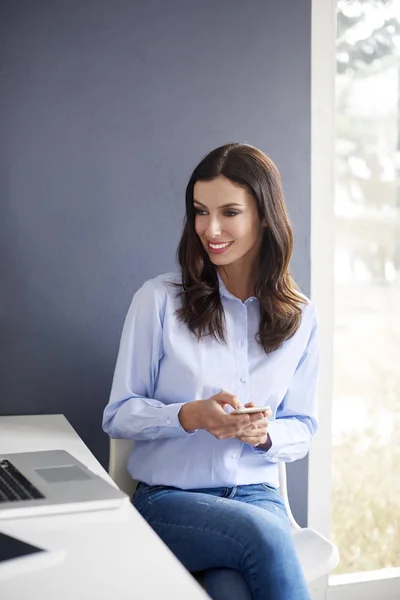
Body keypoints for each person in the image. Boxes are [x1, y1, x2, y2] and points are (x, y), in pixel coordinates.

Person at [102, 143, 318, 600]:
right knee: (265, 537)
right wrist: (191, 416)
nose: (210, 228)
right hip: (169, 500)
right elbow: (118, 414)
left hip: (256, 496)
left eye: (229, 212)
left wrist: (264, 434)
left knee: (229, 588)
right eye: (201, 211)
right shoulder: (158, 300)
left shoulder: (301, 317)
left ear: (264, 216)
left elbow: (303, 427)